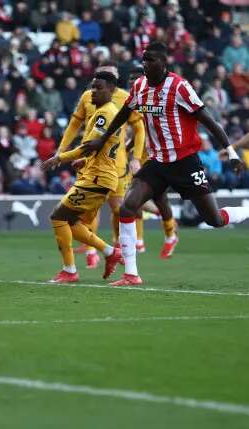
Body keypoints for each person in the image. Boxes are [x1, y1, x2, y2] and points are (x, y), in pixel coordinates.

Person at [81, 41, 249, 286]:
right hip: (158, 162)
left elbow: (209, 121)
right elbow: (124, 115)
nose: (145, 64)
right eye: (144, 59)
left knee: (214, 220)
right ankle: (131, 274)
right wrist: (102, 139)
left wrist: (232, 153)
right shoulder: (139, 86)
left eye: (150, 60)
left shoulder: (179, 87)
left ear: (163, 62)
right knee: (128, 206)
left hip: (185, 162)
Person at [57, 61, 145, 269]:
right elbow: (74, 124)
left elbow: (139, 127)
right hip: (89, 161)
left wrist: (136, 157)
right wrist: (61, 150)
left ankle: (121, 248)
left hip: (117, 163)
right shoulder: (88, 96)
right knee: (86, 211)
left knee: (119, 208)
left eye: (111, 76)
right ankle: (91, 252)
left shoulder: (125, 98)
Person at [40, 72, 123, 283]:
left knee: (58, 217)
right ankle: (109, 252)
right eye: (92, 87)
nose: (93, 92)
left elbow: (88, 146)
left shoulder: (106, 114)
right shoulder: (105, 112)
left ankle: (69, 271)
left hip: (97, 178)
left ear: (111, 90)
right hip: (97, 175)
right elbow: (101, 149)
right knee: (71, 221)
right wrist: (85, 162)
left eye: (98, 88)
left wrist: (58, 158)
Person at [127, 62, 179, 258]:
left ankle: (169, 234)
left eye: (135, 79)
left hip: (157, 155)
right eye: (130, 80)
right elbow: (136, 131)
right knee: (133, 197)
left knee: (160, 198)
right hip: (138, 156)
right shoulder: (131, 101)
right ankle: (139, 241)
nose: (132, 82)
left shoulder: (152, 99)